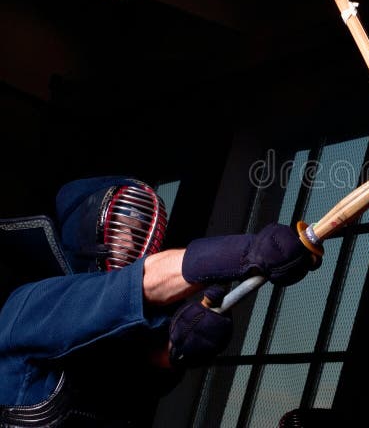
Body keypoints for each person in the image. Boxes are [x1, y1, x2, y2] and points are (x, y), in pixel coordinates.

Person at [0, 175, 322, 426]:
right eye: (123, 228)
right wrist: (246, 252)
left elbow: (130, 372)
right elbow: (138, 284)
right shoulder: (31, 304)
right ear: (87, 228)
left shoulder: (117, 342)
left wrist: (175, 350)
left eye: (140, 231)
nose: (131, 241)